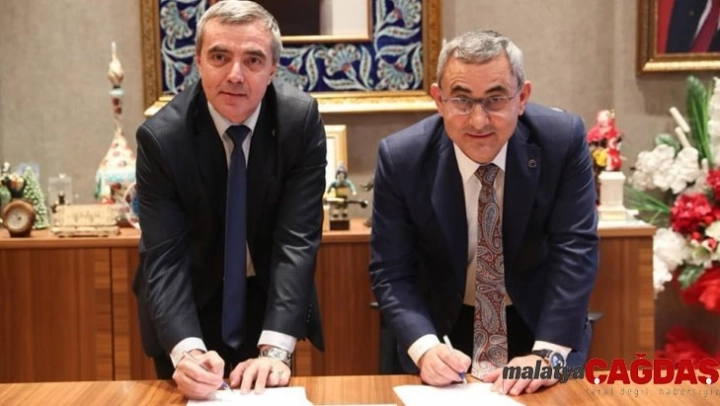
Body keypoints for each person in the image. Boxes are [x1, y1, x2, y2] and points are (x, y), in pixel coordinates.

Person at [369, 30, 599, 396]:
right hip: (443, 332)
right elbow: (391, 271)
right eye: (462, 100)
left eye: (495, 99)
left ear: (522, 98)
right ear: (439, 100)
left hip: (541, 326)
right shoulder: (402, 159)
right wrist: (425, 347)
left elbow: (575, 249)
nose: (478, 121)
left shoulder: (561, 141)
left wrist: (547, 352)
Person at [133, 0, 326, 400]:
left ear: (273, 70)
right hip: (187, 303)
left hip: (268, 297)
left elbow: (297, 239)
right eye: (220, 57)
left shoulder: (300, 122)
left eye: (253, 60)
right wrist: (186, 352)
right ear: (199, 62)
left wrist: (276, 349)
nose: (235, 75)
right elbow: (164, 257)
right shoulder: (162, 139)